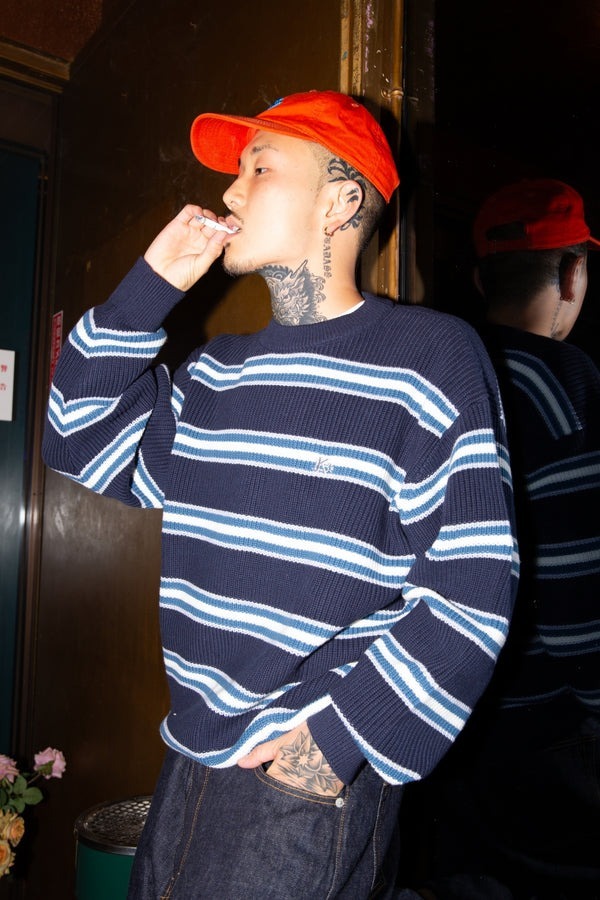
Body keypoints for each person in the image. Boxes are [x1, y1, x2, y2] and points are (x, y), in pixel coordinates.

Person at [42, 90, 516, 899]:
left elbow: (473, 586)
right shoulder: (215, 373)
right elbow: (76, 440)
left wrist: (331, 745)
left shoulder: (430, 357)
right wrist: (146, 291)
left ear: (339, 202)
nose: (231, 191)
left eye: (259, 167)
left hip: (301, 778)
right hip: (188, 758)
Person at [416, 178, 600, 899]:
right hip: (542, 732)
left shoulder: (436, 373)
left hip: (438, 717)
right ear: (573, 274)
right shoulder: (566, 386)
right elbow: (578, 588)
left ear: (479, 278)